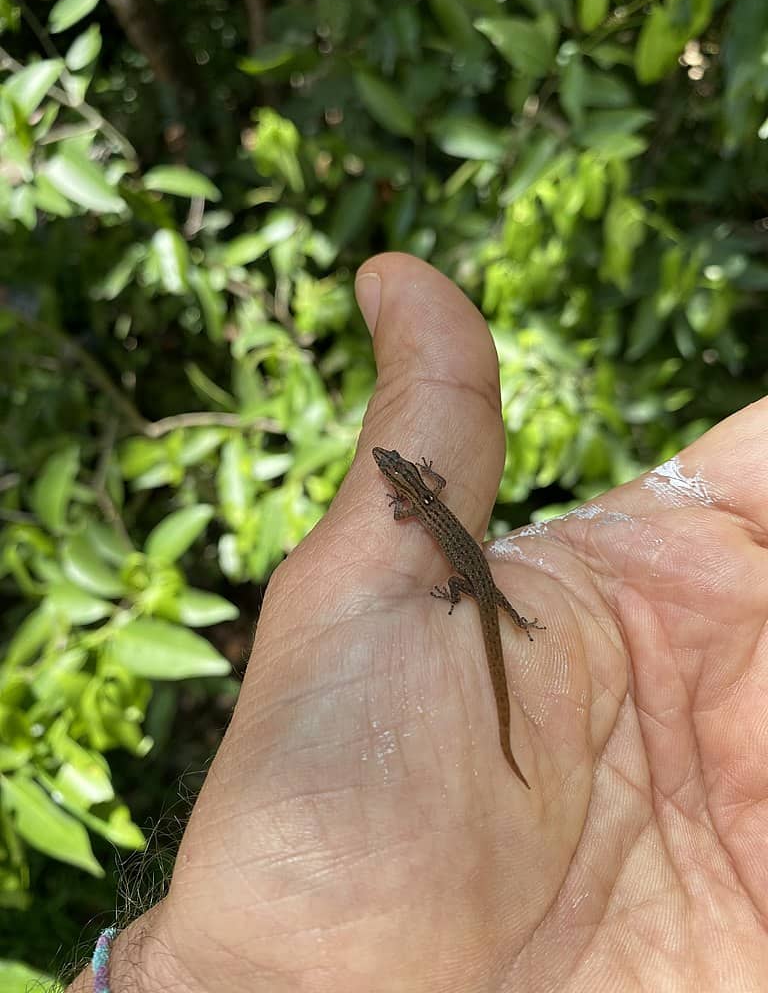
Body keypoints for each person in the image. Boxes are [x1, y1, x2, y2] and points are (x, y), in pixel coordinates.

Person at [68, 254, 768, 991]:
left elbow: (422, 509)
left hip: (476, 573)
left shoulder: (410, 504)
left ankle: (507, 648)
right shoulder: (418, 497)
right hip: (478, 573)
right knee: (490, 604)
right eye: (394, 470)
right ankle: (508, 639)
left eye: (391, 468)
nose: (389, 471)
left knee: (486, 601)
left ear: (398, 480)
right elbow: (427, 500)